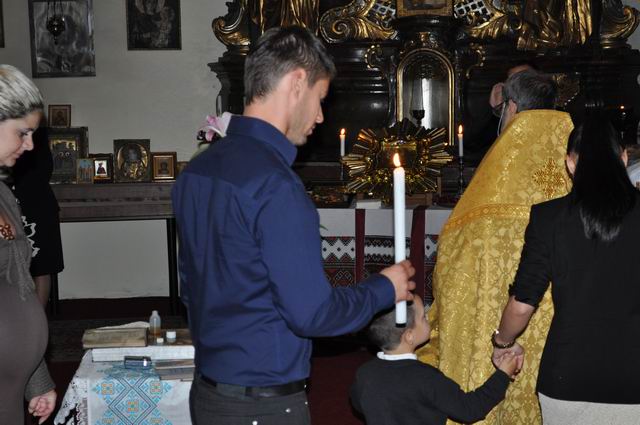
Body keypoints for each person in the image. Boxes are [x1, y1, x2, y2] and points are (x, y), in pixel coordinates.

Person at [172, 26, 415, 425]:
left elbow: (189, 287)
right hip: (261, 404)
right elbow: (313, 315)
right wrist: (383, 288)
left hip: (209, 392)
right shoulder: (276, 185)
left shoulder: (198, 170)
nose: (320, 116)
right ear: (297, 82)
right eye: (320, 99)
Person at [418, 69, 573, 425]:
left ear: (512, 107)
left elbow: (456, 251)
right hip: (561, 318)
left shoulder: (496, 177)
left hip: (500, 317)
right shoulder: (573, 158)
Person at [493, 114, 640, 424]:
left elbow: (522, 304)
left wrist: (503, 342)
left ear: (571, 164)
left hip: (567, 375)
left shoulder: (548, 217)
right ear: (624, 158)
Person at [351, 296, 518, 425]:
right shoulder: (426, 377)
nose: (428, 317)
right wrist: (502, 375)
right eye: (423, 317)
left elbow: (359, 404)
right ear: (409, 336)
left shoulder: (364, 373)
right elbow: (470, 409)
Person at [0, 64, 56, 424]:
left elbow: (18, 286)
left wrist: (37, 379)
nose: (30, 145)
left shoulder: (4, 194)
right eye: (22, 133)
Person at [9, 126, 65, 307]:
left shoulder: (36, 135)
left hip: (37, 207)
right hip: (9, 206)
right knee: (10, 264)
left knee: (42, 265)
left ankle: (39, 316)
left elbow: (44, 170)